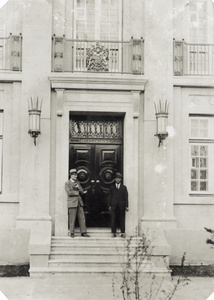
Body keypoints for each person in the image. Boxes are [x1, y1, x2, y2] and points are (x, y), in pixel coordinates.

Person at [65, 168, 90, 238]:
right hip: (72, 203)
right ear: (71, 175)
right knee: (72, 218)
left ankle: (83, 232)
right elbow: (69, 193)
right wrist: (77, 191)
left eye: (76, 175)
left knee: (82, 217)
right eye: (74, 175)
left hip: (79, 202)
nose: (76, 176)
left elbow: (81, 191)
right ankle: (72, 232)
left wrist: (79, 188)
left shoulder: (77, 182)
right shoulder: (67, 183)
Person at [108, 172, 129, 238]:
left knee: (122, 219)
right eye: (116, 178)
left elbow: (126, 197)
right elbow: (110, 197)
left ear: (121, 179)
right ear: (114, 179)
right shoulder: (112, 187)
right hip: (114, 206)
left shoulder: (124, 187)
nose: (117, 180)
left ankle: (122, 232)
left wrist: (126, 206)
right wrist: (109, 205)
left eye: (119, 178)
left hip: (121, 206)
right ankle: (113, 232)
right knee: (113, 219)